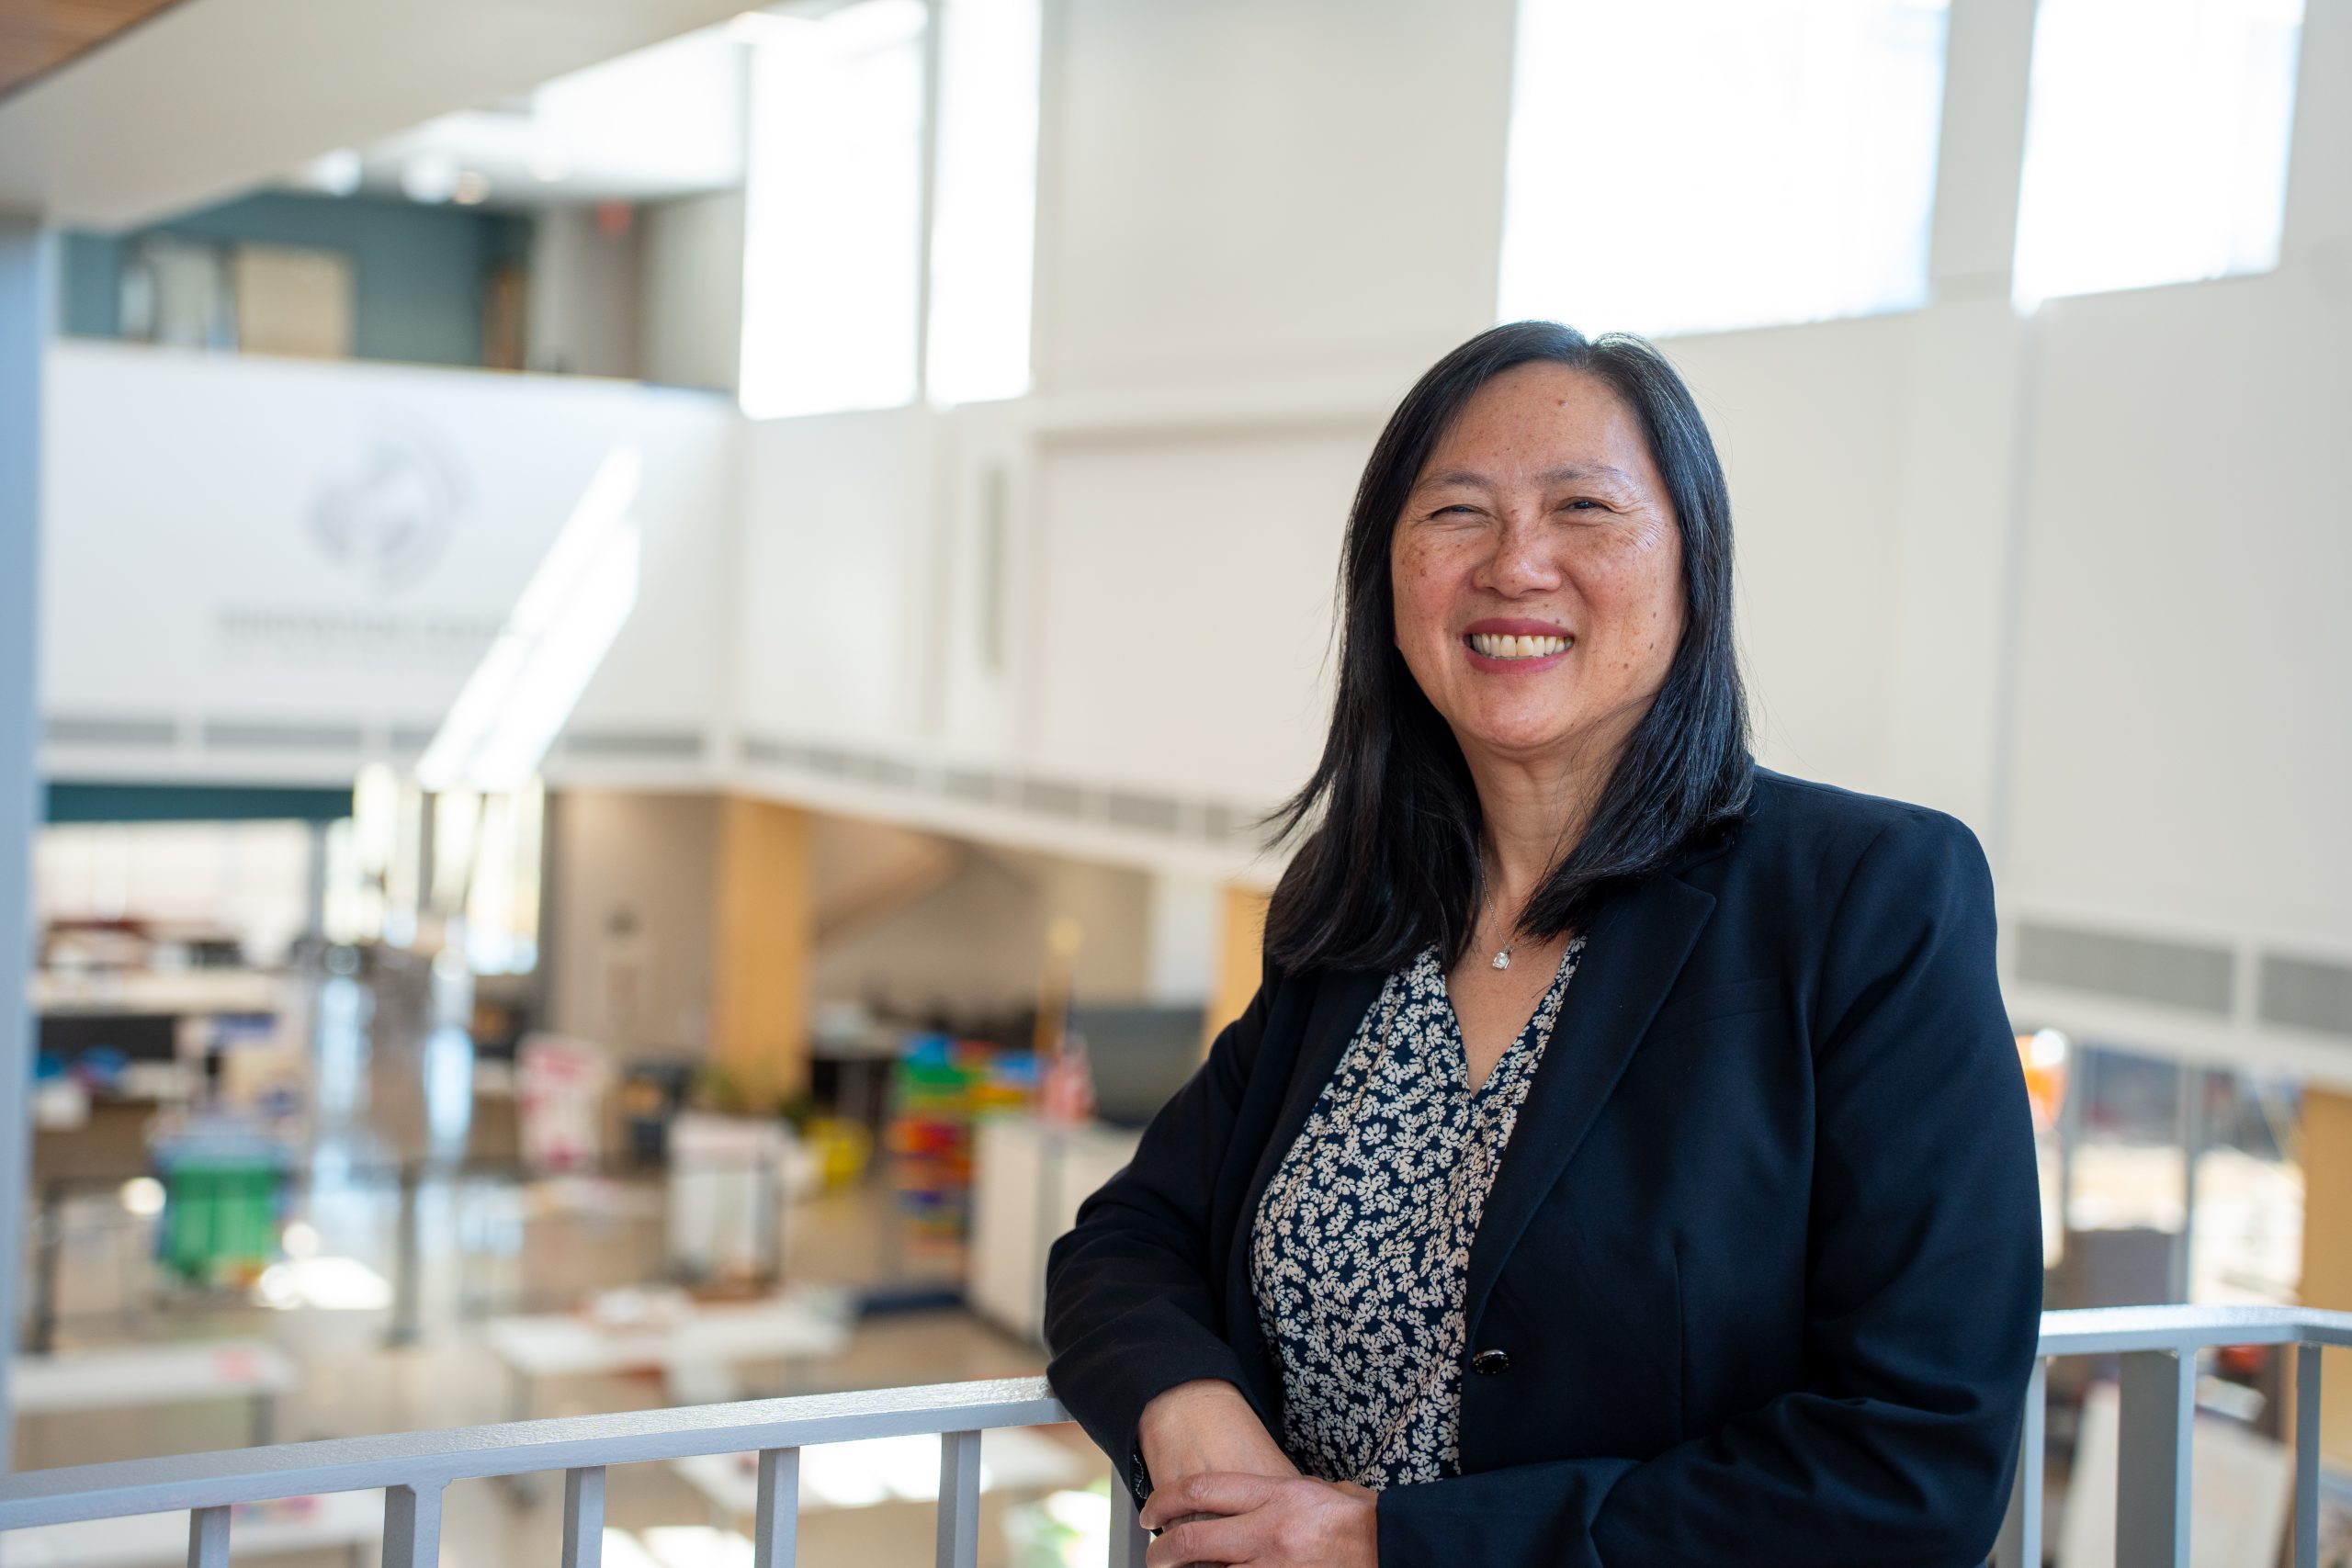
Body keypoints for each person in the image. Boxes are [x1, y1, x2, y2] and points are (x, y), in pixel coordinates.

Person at [1043, 321, 2043, 1567]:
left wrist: (1387, 1543)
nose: (1518, 565)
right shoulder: (1359, 909)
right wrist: (1190, 1416)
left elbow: (1912, 1462)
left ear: (1693, 564)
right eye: (1457, 514)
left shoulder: (1865, 899)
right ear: (1389, 581)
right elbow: (1123, 1242)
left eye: (1584, 507)